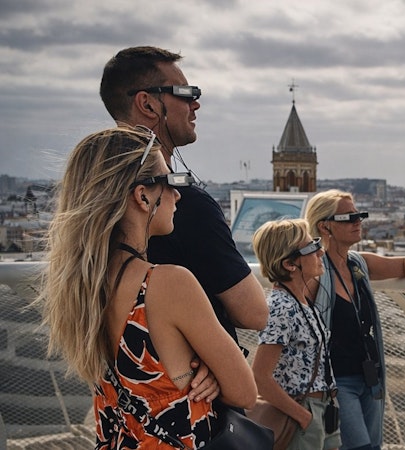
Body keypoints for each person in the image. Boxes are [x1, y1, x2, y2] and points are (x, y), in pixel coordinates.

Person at [38, 127, 256, 448]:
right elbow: (245, 392)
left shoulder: (80, 286)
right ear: (142, 196)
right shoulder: (167, 283)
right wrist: (207, 367)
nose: (178, 194)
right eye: (171, 183)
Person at [100, 46, 268, 403]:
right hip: (190, 409)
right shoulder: (186, 206)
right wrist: (206, 356)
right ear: (147, 104)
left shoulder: (91, 206)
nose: (196, 105)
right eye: (187, 94)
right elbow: (254, 312)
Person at [305, 189, 405, 450]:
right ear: (325, 226)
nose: (358, 222)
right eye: (349, 218)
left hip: (370, 377)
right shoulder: (313, 272)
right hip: (336, 382)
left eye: (360, 215)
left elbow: (404, 263)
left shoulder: (358, 264)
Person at [251, 219, 342, 449]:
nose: (321, 251)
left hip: (321, 410)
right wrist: (304, 417)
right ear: (290, 264)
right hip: (301, 413)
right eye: (312, 248)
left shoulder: (300, 302)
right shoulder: (281, 307)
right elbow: (260, 377)